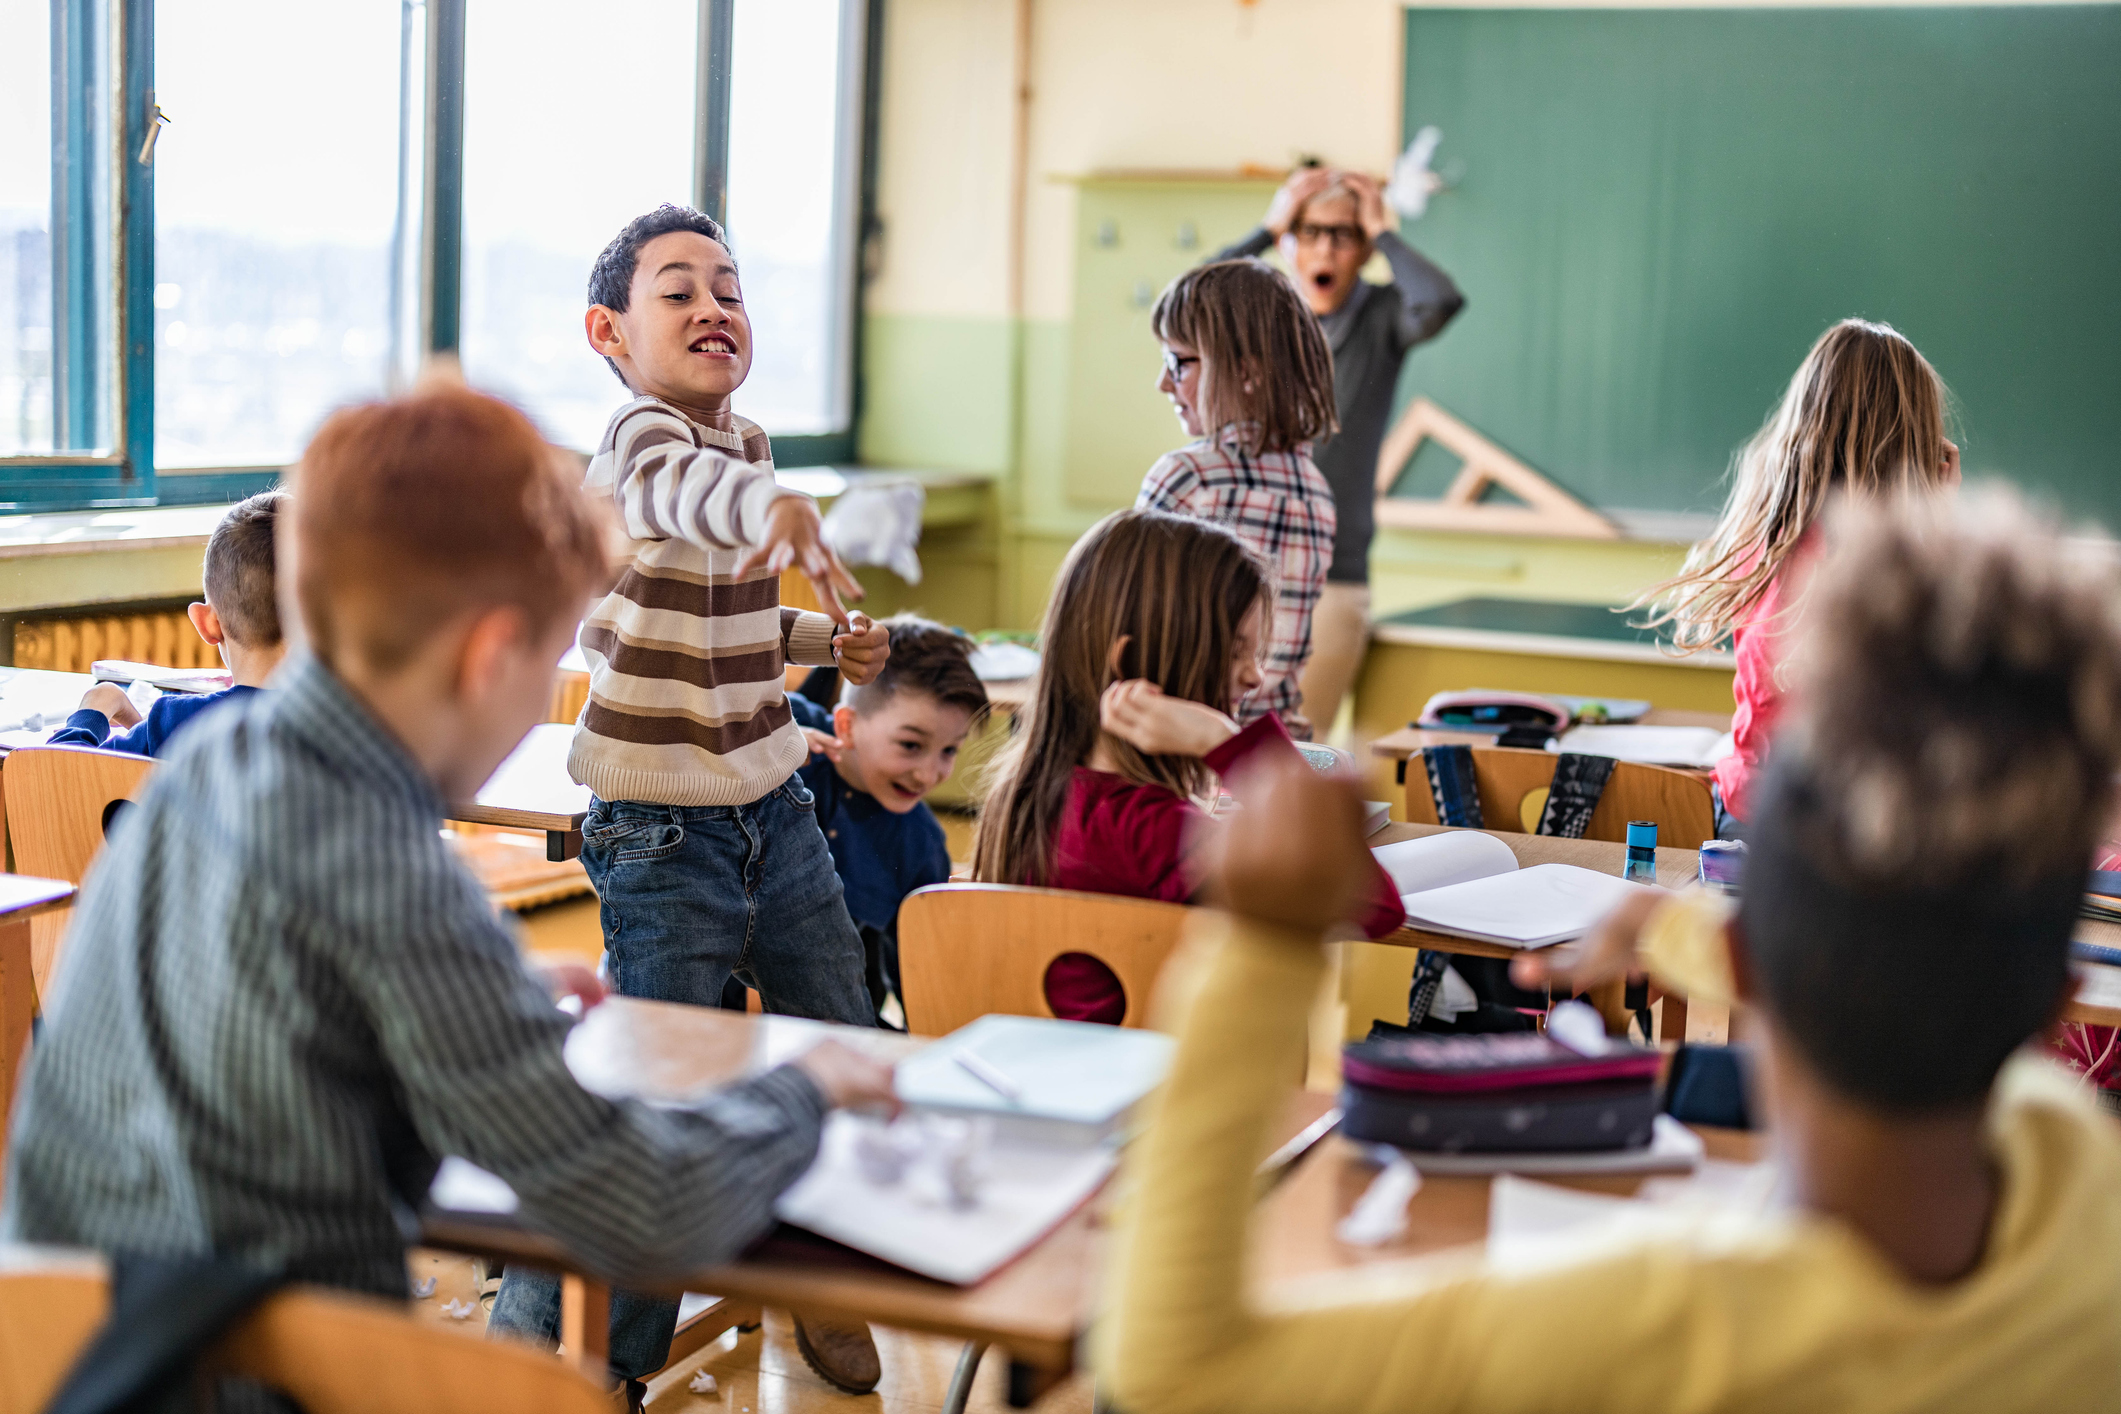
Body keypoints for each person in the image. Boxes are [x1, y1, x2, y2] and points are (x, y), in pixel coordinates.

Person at [1100, 486, 2121, 1413]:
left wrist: (1266, 949)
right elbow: (1910, 975)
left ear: (1753, 957)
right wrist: (1671, 929)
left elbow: (1169, 1375)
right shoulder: (2080, 1177)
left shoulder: (1658, 1327)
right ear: (2055, 1002)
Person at [0, 382, 900, 1414]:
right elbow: (637, 1207)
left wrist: (483, 990)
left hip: (64, 1366)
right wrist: (812, 1084)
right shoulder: (389, 868)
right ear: (486, 656)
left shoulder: (204, 772)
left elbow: (286, 1009)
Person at [495, 203, 892, 1395]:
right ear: (608, 331)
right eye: (679, 291)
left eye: (730, 287)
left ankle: (827, 1274)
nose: (715, 306)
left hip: (773, 802)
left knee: (842, 1037)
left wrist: (823, 636)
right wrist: (767, 510)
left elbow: (719, 611)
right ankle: (566, 1365)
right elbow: (686, 502)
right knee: (654, 1099)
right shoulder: (637, 444)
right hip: (662, 826)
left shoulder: (750, 446)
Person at [973, 509, 1403, 1024]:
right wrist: (1226, 743)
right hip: (1147, 1090)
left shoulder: (1027, 792)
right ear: (1131, 664)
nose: (1255, 676)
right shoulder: (1150, 829)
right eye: (1234, 651)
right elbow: (1376, 907)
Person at [1635, 318, 1959, 834]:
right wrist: (1936, 525)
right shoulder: (1896, 576)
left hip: (1749, 815)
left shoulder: (1766, 540)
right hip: (1834, 832)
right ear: (1915, 443)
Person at [1215, 165, 1465, 733]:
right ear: (1290, 242)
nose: (1326, 247)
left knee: (1295, 751)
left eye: (1344, 234)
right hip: (1239, 566)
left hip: (1333, 577)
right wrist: (1267, 225)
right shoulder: (1263, 311)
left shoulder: (1380, 317)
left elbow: (1439, 301)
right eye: (1311, 231)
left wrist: (1384, 231)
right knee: (1221, 746)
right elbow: (1189, 302)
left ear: (1364, 248)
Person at [1136, 258, 1340, 738]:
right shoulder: (1315, 488)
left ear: (1245, 371)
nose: (1164, 382)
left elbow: (1129, 633)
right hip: (1276, 749)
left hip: (1183, 749)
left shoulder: (1187, 477)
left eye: (1178, 362)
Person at [789, 614, 989, 1020]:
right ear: (847, 724)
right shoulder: (784, 727)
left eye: (949, 751)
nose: (928, 774)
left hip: (841, 1025)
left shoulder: (922, 846)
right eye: (911, 745)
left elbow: (920, 981)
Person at [49, 490, 288, 755]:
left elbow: (51, 777)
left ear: (207, 623)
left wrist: (94, 710)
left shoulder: (176, 724)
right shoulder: (338, 728)